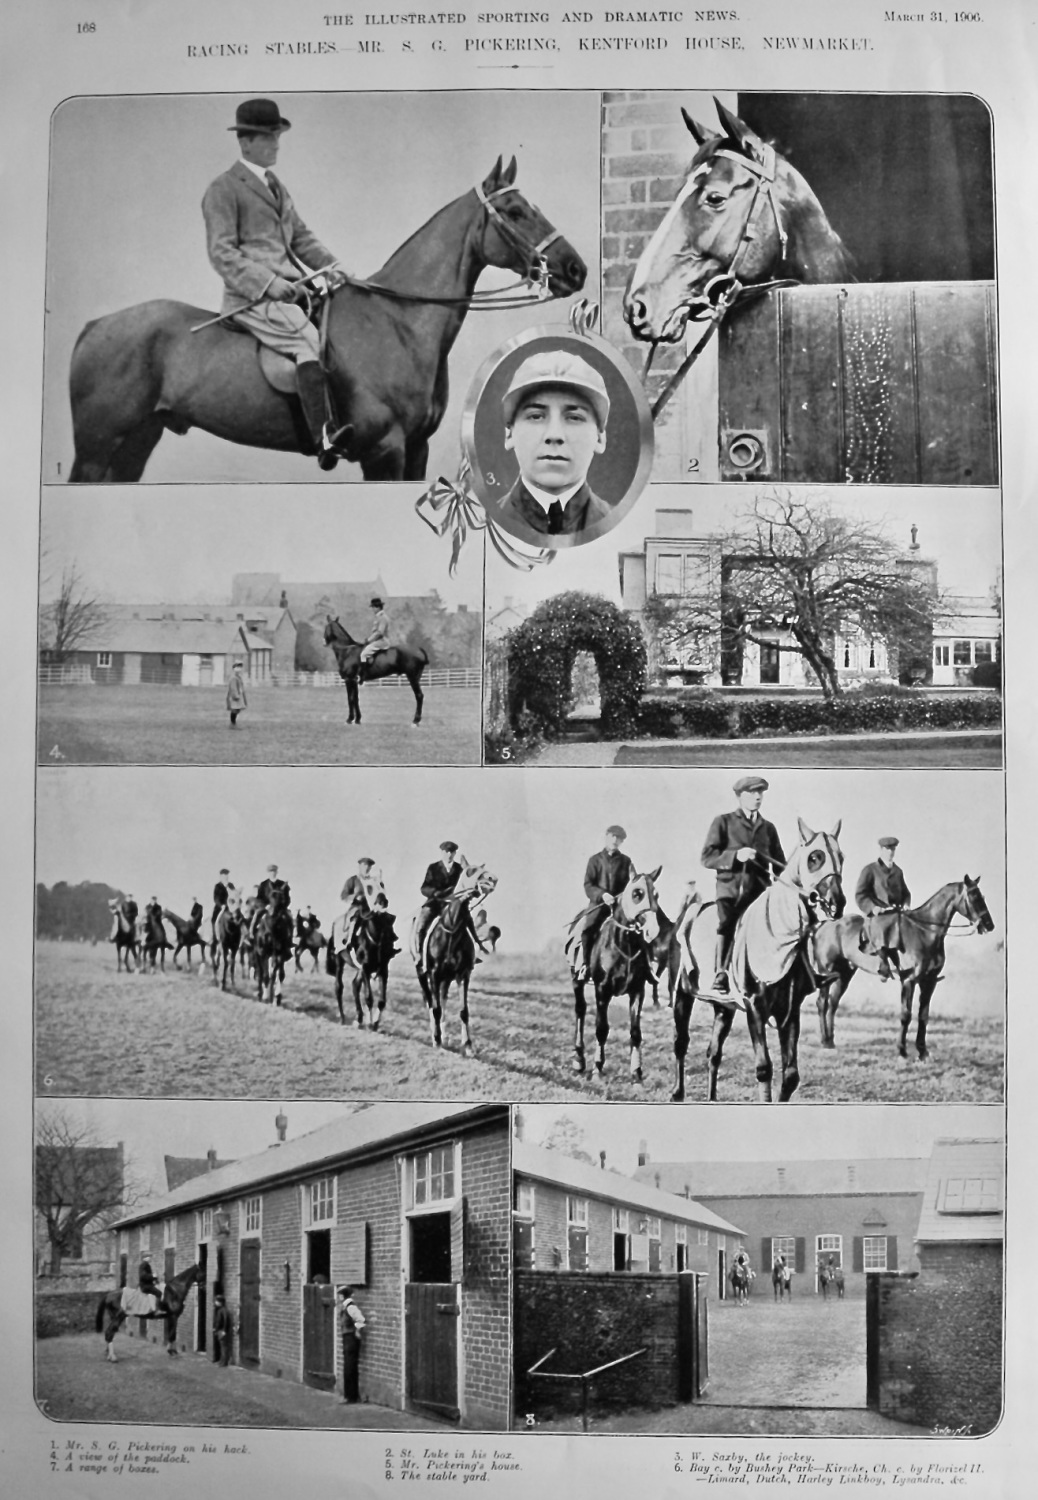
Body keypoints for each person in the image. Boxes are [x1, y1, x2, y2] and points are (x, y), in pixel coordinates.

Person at [202, 98, 345, 469]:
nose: (275, 144)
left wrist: (332, 268)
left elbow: (301, 238)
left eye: (277, 136)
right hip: (250, 298)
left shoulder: (276, 187)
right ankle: (324, 438)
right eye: (267, 138)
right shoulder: (224, 189)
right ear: (245, 142)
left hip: (293, 290)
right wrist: (267, 284)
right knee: (308, 341)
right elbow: (222, 253)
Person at [497, 351, 612, 537]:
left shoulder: (617, 526)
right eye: (536, 416)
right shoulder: (485, 524)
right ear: (509, 434)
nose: (554, 435)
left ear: (599, 438)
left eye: (574, 418)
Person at [701, 777, 786, 995]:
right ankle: (722, 972)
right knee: (728, 923)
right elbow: (707, 858)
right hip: (730, 891)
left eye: (760, 793)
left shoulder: (768, 828)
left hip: (759, 893)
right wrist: (735, 856)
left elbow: (779, 864)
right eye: (752, 793)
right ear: (740, 797)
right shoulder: (723, 822)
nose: (758, 797)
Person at [580, 825, 636, 977]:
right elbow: (588, 885)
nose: (615, 841)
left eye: (619, 839)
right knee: (588, 931)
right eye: (613, 837)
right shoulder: (595, 860)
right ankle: (587, 966)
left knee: (636, 930)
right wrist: (602, 895)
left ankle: (642, 969)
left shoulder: (626, 861)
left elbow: (629, 885)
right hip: (599, 906)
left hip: (619, 907)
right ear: (606, 837)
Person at [855, 836, 912, 981]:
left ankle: (914, 964)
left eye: (893, 849)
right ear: (881, 850)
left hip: (896, 913)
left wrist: (906, 903)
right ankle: (884, 965)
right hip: (877, 915)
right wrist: (872, 907)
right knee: (881, 927)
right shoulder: (870, 870)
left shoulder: (898, 872)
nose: (891, 852)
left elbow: (906, 893)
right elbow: (860, 894)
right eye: (887, 849)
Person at [339, 858, 379, 953]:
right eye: (365, 865)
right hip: (357, 907)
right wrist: (355, 897)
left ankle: (388, 943)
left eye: (369, 866)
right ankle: (350, 940)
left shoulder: (373, 881)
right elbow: (343, 895)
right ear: (360, 866)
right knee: (355, 917)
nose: (367, 868)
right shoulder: (353, 880)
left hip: (371, 908)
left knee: (385, 918)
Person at [337, 1285, 366, 1403]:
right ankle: (350, 1395)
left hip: (350, 1338)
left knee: (350, 1368)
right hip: (347, 1338)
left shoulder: (350, 1307)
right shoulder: (345, 1307)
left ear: (343, 1295)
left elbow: (361, 1320)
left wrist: (357, 1331)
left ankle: (351, 1396)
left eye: (339, 1294)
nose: (338, 1297)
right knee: (348, 1367)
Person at [360, 598, 391, 665]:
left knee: (363, 654)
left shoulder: (382, 617)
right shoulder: (379, 617)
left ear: (378, 607)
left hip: (382, 641)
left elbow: (379, 633)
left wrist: (368, 640)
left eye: (373, 607)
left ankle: (364, 673)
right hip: (378, 641)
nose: (372, 609)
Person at [213, 1295, 233, 1367]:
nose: (215, 1303)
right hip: (222, 1330)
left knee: (223, 1347)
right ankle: (222, 1361)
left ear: (220, 1302)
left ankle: (224, 1362)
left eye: (216, 1301)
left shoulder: (222, 1310)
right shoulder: (223, 1310)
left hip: (222, 1331)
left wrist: (221, 1329)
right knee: (223, 1346)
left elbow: (224, 1321)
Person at [226, 662, 248, 728]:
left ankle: (233, 723)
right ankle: (232, 723)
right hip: (234, 697)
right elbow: (233, 688)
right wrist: (236, 696)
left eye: (240, 667)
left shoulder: (238, 677)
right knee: (234, 709)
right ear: (233, 668)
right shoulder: (233, 678)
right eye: (237, 667)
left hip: (238, 695)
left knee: (237, 710)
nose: (239, 669)